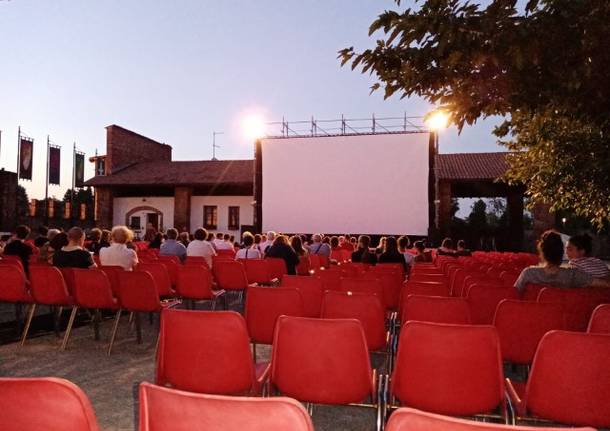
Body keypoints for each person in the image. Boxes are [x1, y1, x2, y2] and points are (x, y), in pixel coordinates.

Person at [513, 230, 610, 292]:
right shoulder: (573, 275)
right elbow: (606, 284)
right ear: (561, 252)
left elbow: (514, 294)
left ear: (542, 252)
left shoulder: (529, 274)